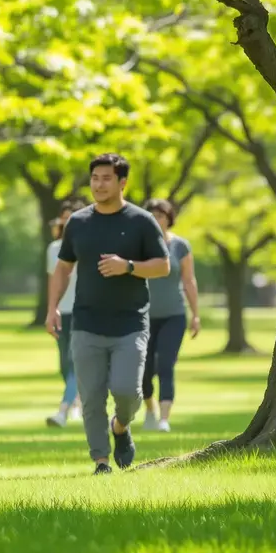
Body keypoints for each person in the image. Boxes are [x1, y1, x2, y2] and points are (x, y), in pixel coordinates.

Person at [46, 153, 170, 475]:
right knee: (91, 396)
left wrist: (127, 266)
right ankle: (101, 461)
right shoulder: (78, 222)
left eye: (106, 179)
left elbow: (163, 265)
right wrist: (52, 307)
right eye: (95, 178)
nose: (99, 185)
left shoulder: (141, 221)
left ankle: (121, 426)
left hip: (130, 323)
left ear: (122, 182)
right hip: (86, 322)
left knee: (128, 392)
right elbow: (63, 268)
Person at [141, 198, 201, 433]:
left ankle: (164, 419)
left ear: (168, 219)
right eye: (151, 215)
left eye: (160, 215)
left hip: (173, 315)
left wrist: (195, 314)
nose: (156, 220)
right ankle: (149, 409)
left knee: (166, 364)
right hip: (143, 318)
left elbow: (189, 280)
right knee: (144, 369)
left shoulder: (180, 246)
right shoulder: (140, 246)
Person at [46, 198, 85, 428]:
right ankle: (77, 401)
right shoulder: (53, 248)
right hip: (63, 311)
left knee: (75, 360)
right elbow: (53, 280)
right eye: (65, 218)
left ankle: (62, 410)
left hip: (84, 311)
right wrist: (51, 309)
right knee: (64, 363)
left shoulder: (88, 244)